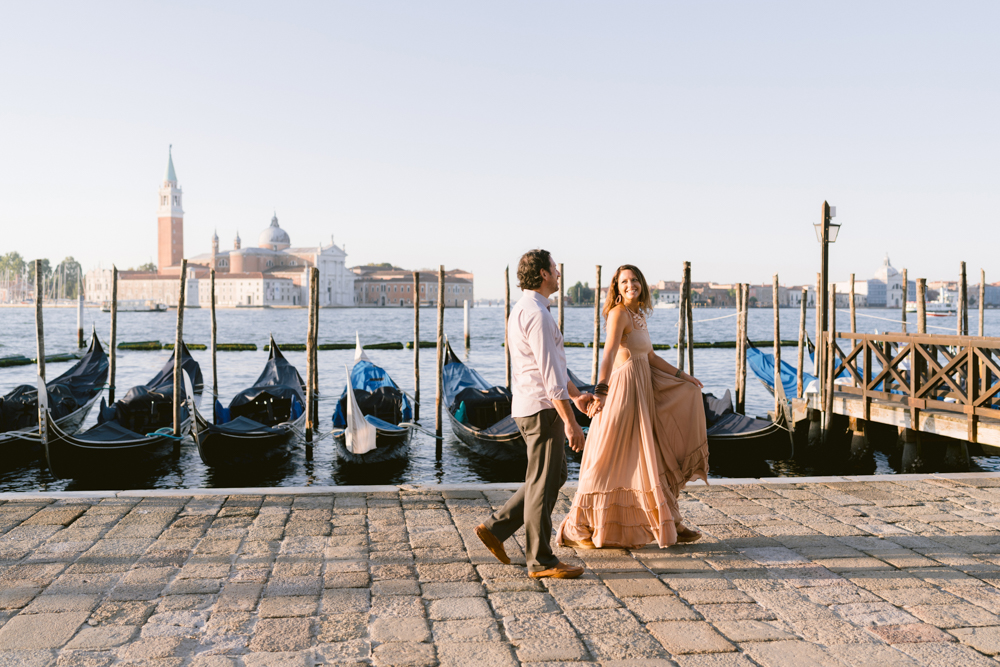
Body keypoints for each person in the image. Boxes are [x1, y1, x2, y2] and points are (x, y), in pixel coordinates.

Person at [556, 264, 709, 549]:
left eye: (634, 280)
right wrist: (600, 391)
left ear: (642, 284)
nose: (630, 285)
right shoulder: (618, 314)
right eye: (624, 281)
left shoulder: (639, 315)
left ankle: (669, 522)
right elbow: (609, 353)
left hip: (642, 393)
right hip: (622, 392)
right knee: (605, 458)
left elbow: (650, 357)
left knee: (649, 457)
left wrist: (684, 377)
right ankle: (576, 528)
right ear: (616, 287)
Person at [475, 249, 595, 579]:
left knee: (551, 477)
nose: (558, 273)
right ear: (543, 273)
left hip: (533, 406)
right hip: (543, 410)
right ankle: (540, 561)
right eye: (555, 268)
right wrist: (571, 422)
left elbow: (554, 367)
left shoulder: (526, 309)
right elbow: (549, 375)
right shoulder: (538, 315)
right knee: (544, 483)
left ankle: (495, 528)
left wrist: (577, 395)